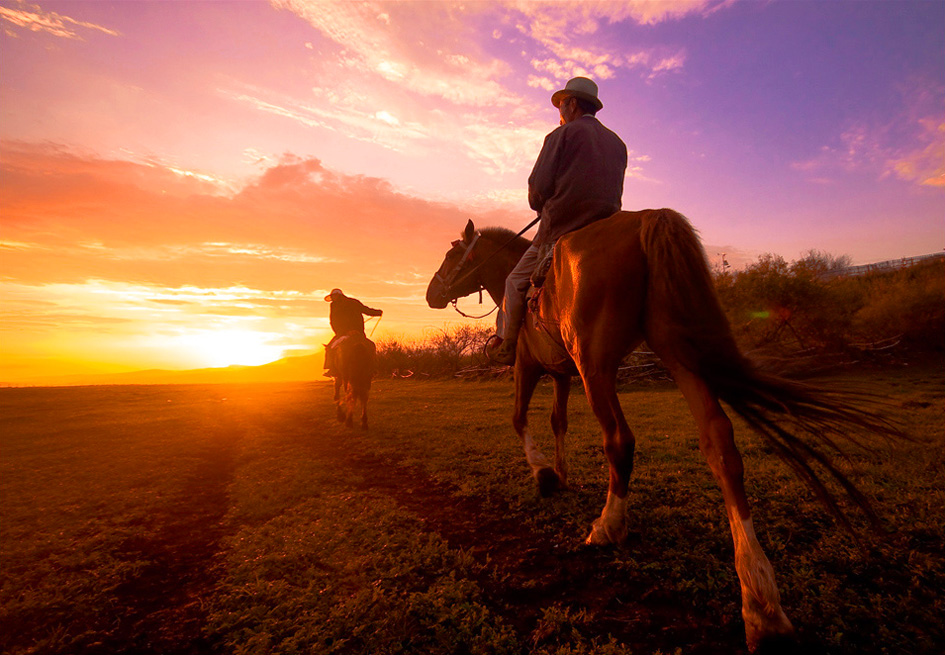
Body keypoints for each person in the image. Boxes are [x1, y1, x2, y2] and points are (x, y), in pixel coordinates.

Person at [487, 76, 628, 365]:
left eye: (561, 104)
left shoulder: (559, 135)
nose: (560, 111)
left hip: (559, 230)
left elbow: (538, 187)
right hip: (606, 229)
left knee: (513, 281)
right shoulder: (618, 143)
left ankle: (507, 344)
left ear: (573, 104)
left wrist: (539, 204)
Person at [323, 288, 382, 376]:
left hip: (343, 333)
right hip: (359, 332)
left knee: (330, 348)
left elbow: (334, 321)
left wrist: (342, 332)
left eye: (334, 296)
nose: (333, 298)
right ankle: (373, 368)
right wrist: (377, 312)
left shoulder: (334, 306)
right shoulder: (354, 302)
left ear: (338, 296)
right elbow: (366, 310)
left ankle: (332, 369)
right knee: (371, 345)